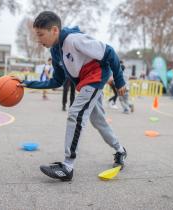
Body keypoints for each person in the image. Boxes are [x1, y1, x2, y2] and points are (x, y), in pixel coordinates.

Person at [16, 11, 127, 181]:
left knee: (75, 114)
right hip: (85, 83)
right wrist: (28, 83)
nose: (39, 40)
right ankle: (120, 150)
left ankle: (67, 167)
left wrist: (120, 81)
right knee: (98, 121)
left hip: (96, 77)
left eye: (41, 35)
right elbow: (57, 81)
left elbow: (109, 52)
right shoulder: (55, 52)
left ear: (54, 30)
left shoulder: (74, 39)